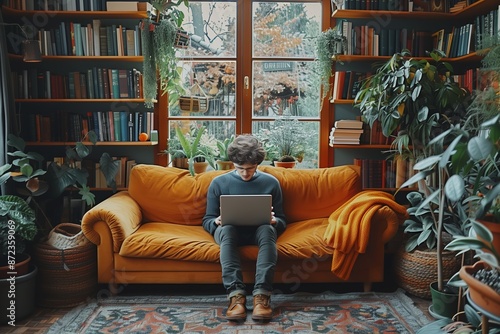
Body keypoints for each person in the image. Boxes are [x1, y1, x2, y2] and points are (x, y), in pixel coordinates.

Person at [202, 134, 287, 322]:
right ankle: (236, 296)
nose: (245, 174)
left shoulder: (271, 183)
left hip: (259, 230)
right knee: (227, 229)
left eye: (250, 169)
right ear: (233, 163)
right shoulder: (218, 183)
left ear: (258, 164)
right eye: (240, 168)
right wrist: (216, 222)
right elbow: (207, 220)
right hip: (229, 232)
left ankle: (262, 297)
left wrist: (275, 222)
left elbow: (282, 219)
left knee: (267, 230)